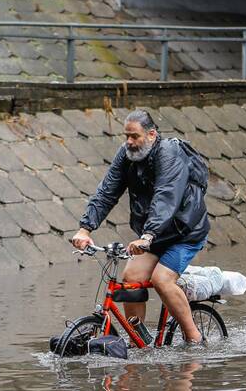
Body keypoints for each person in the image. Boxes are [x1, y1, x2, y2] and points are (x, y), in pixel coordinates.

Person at [70, 110, 210, 344]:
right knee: (130, 277)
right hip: (154, 235)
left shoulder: (169, 153)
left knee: (161, 280)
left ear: (152, 134)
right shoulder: (125, 155)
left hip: (185, 233)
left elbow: (166, 197)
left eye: (134, 136)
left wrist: (148, 234)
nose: (129, 142)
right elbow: (107, 191)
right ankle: (140, 342)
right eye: (126, 136)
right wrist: (85, 228)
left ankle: (194, 339)